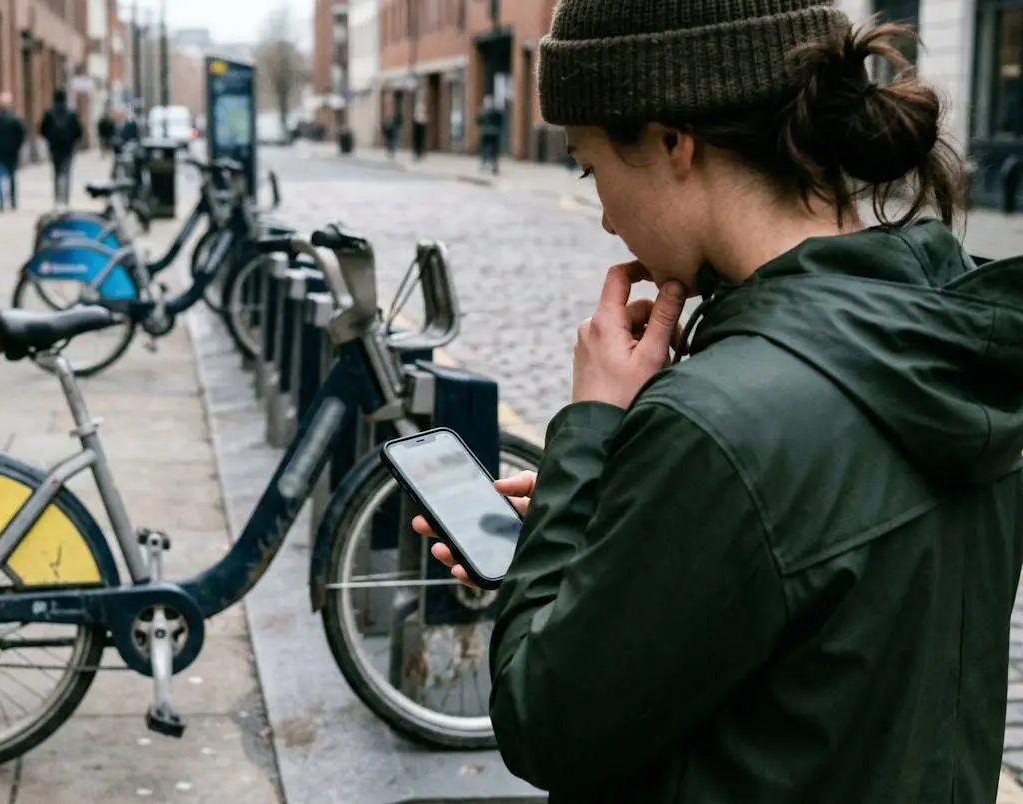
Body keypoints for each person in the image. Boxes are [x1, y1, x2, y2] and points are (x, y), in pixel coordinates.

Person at [419, 2, 1023, 802]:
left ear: (673, 142)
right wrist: (623, 529)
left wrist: (593, 424)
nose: (602, 215)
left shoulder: (714, 423)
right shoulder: (954, 333)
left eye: (591, 167)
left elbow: (545, 723)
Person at [39, 89, 84, 207]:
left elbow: (42, 130)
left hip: (54, 147)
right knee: (66, 172)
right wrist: (73, 141)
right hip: (68, 148)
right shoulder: (71, 113)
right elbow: (79, 131)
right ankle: (65, 198)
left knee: (56, 172)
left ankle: (57, 197)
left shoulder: (49, 113)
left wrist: (50, 139)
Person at [476, 95, 503, 175]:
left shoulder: (483, 112)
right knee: (494, 149)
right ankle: (493, 164)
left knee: (485, 148)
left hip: (486, 133)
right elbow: (500, 122)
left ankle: (485, 162)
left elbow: (478, 121)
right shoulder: (496, 112)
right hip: (495, 133)